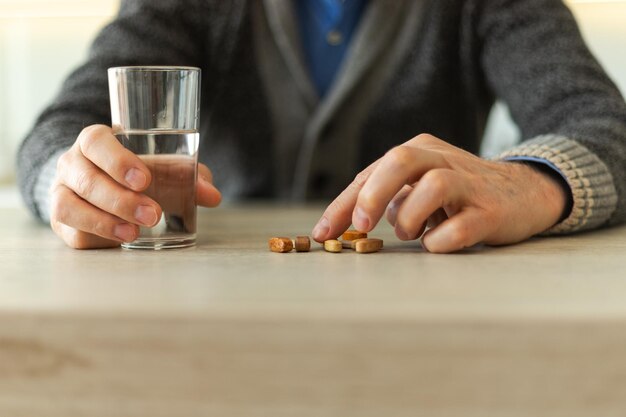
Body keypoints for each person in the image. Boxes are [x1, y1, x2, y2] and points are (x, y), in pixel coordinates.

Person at [16, 0, 626, 252]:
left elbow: (603, 123)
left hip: (428, 310)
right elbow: (59, 128)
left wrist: (530, 181)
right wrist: (73, 185)